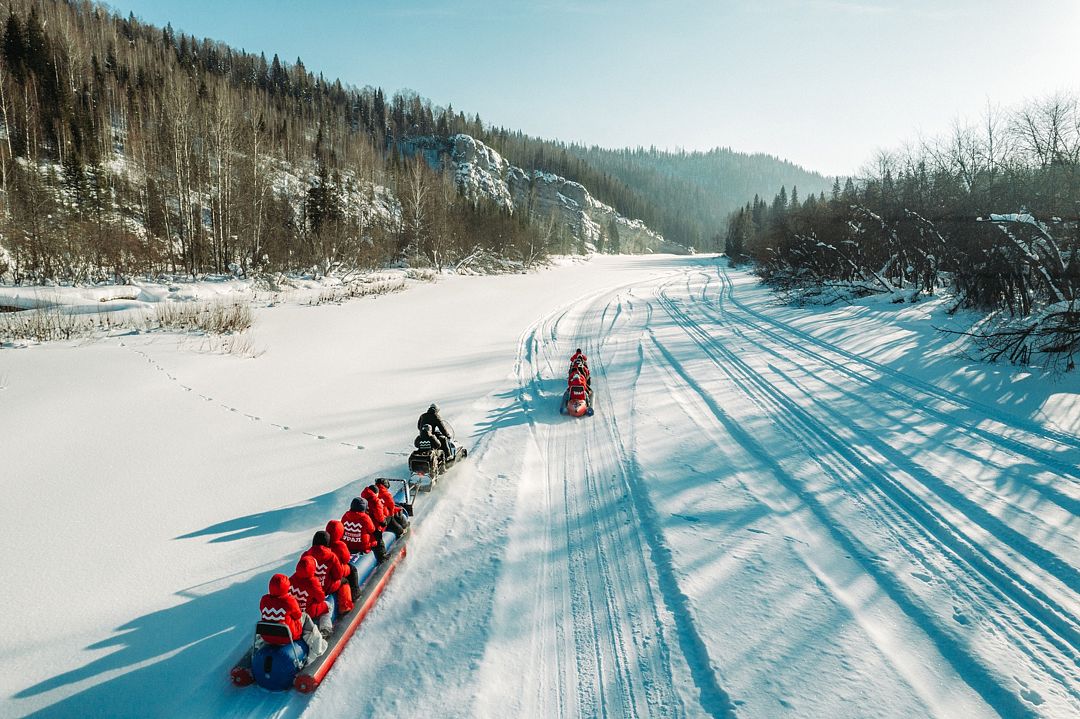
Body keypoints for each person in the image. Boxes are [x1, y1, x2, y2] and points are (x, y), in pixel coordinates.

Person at [301, 531, 353, 614]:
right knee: (344, 581)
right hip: (326, 588)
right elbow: (338, 575)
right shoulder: (332, 556)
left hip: (309, 589)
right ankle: (345, 606)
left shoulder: (306, 555)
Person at [289, 556, 333, 642]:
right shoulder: (313, 582)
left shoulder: (292, 578)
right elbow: (320, 598)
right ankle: (325, 629)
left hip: (294, 611)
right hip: (308, 611)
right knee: (328, 606)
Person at [258, 573, 303, 645]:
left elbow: (262, 610)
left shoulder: (264, 599)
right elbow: (298, 615)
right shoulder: (289, 600)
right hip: (287, 637)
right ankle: (313, 639)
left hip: (266, 636)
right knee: (305, 616)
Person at [326, 519, 360, 602]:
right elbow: (346, 559)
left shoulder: (325, 542)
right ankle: (355, 592)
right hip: (337, 570)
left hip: (325, 571)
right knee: (352, 570)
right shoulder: (340, 545)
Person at [341, 496, 385, 561]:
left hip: (347, 545)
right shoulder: (365, 518)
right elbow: (373, 530)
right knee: (378, 539)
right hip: (362, 547)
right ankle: (382, 558)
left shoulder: (345, 515)